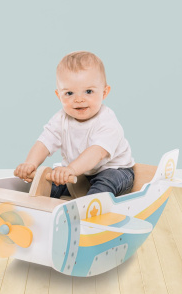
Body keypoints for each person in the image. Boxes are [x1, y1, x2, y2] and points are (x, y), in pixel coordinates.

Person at [14, 51, 135, 198]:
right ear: (59, 95)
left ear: (104, 92)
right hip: (78, 173)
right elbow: (44, 142)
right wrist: (30, 163)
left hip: (115, 170)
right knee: (51, 183)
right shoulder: (60, 119)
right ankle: (44, 202)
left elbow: (96, 153)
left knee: (105, 183)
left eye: (88, 91)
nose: (79, 99)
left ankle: (91, 205)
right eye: (69, 93)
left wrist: (71, 169)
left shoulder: (107, 121)